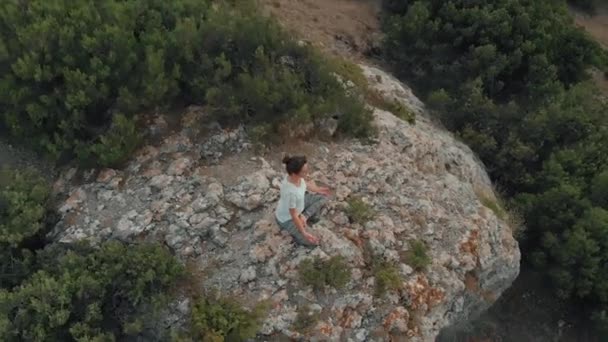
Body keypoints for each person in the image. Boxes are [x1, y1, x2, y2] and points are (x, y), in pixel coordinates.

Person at [275, 155, 331, 247]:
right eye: (304, 172)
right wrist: (304, 233)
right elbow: (293, 215)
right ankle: (299, 233)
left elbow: (305, 184)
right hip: (287, 219)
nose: (307, 173)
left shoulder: (293, 177)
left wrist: (318, 190)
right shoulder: (291, 192)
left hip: (299, 205)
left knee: (324, 197)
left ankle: (306, 216)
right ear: (294, 173)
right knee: (314, 242)